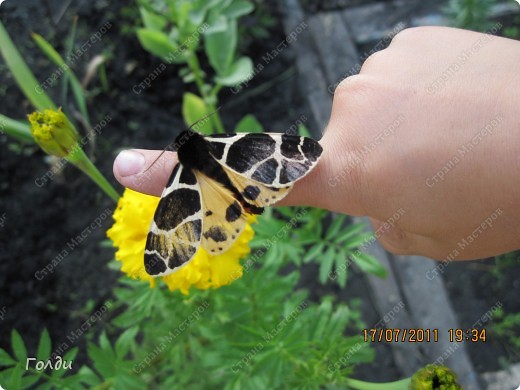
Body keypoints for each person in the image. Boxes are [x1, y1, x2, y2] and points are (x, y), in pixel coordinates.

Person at [113, 26, 519, 261]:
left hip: (220, 204)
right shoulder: (227, 143)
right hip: (242, 181)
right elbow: (300, 152)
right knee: (271, 152)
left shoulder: (197, 163)